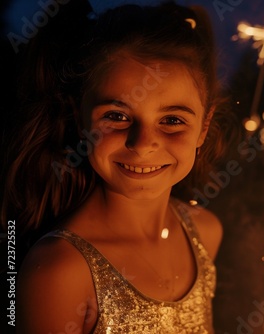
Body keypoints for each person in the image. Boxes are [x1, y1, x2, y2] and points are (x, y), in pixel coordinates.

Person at [2, 1, 231, 332]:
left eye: (171, 120)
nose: (142, 143)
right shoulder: (59, 270)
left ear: (204, 127)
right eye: (116, 116)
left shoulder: (206, 232)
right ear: (80, 120)